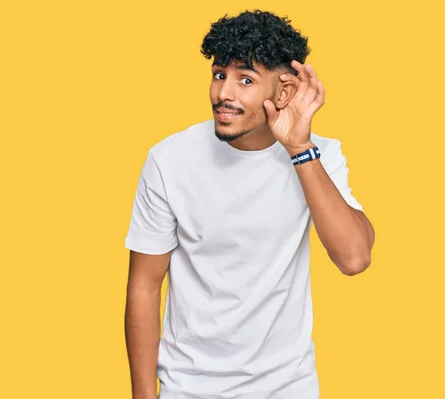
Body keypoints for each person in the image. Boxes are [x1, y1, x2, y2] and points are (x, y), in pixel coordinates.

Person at [124, 9, 375, 399]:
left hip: (286, 388)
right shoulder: (169, 160)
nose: (224, 93)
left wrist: (299, 149)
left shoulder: (318, 155)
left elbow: (354, 258)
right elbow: (144, 285)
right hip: (188, 387)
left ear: (285, 90)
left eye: (245, 79)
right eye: (219, 74)